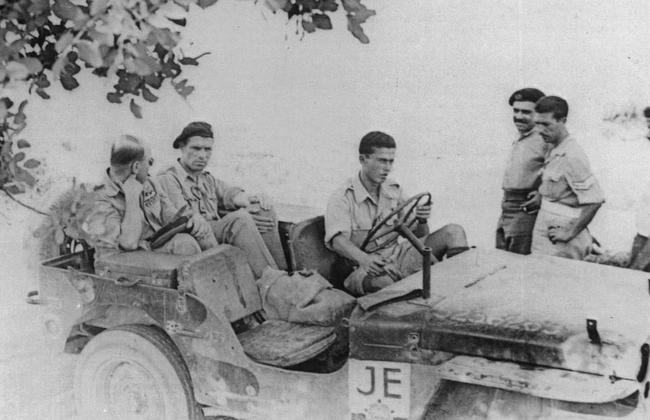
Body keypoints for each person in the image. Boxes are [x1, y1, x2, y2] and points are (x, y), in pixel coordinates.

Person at [325, 131, 469, 296]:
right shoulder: (342, 197)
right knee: (386, 284)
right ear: (363, 160)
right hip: (364, 267)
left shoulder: (393, 190)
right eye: (382, 161)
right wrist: (364, 259)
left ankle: (462, 297)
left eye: (390, 161)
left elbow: (418, 235)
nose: (387, 168)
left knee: (454, 232)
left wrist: (422, 220)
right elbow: (337, 241)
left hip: (399, 255)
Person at [156, 121, 283, 278]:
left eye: (207, 149)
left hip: (215, 233)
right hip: (197, 236)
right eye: (196, 148)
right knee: (240, 219)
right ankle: (270, 280)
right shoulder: (168, 178)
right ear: (182, 147)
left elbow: (230, 193)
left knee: (263, 208)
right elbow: (184, 219)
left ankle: (282, 275)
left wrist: (250, 200)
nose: (203, 155)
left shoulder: (206, 179)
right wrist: (242, 216)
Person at [82, 135, 213, 258]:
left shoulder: (148, 182)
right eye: (150, 161)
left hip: (155, 245)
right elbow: (129, 243)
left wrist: (192, 217)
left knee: (202, 232)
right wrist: (132, 198)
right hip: (125, 261)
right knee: (184, 244)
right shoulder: (99, 200)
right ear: (136, 167)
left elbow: (170, 214)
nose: (150, 168)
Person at [530, 96, 605, 260]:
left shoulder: (572, 155)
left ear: (562, 121)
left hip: (561, 235)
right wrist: (540, 195)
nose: (540, 130)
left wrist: (570, 232)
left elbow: (595, 200)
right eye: (537, 123)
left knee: (557, 281)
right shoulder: (554, 147)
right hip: (546, 226)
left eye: (546, 124)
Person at [496, 88, 549, 254]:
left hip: (525, 208)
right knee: (502, 256)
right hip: (507, 206)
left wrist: (542, 194)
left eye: (526, 112)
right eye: (516, 110)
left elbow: (559, 170)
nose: (519, 116)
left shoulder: (544, 139)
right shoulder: (521, 137)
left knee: (518, 264)